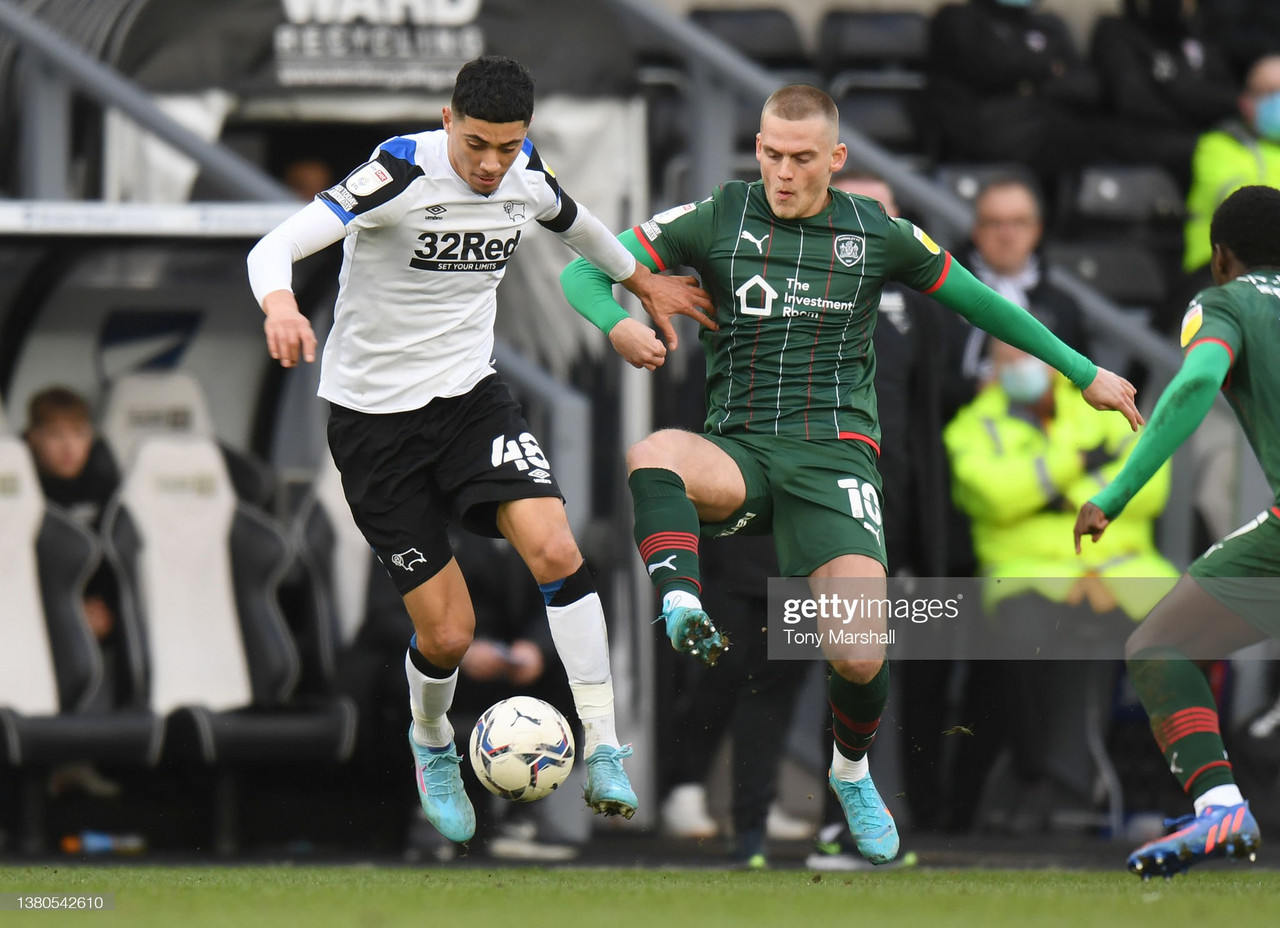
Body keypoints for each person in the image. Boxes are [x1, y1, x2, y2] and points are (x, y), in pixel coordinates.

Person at [561, 83, 1142, 866]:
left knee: (859, 655)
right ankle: (678, 599)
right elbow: (581, 272)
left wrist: (1082, 372)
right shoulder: (716, 215)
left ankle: (851, 774)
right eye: (771, 154)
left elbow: (983, 306)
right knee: (654, 452)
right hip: (742, 452)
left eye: (802, 158)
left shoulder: (876, 232)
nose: (783, 172)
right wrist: (623, 322)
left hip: (836, 461)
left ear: (835, 159)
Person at [246, 55, 712, 845]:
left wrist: (641, 283)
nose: (492, 165)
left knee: (557, 548)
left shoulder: (525, 172)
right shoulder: (398, 171)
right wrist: (283, 307)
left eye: (507, 146)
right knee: (448, 636)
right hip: (373, 423)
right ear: (445, 121)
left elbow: (579, 225)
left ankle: (601, 743)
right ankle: (433, 744)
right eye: (476, 146)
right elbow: (273, 247)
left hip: (469, 400)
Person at [1075, 184, 1280, 878]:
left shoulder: (1224, 303)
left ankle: (1221, 807)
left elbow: (1195, 385)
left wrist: (1117, 491)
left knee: (1160, 645)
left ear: (1220, 257)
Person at [944, 339, 1178, 834]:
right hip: (1031, 577)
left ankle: (1169, 789)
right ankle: (1036, 782)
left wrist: (1048, 492)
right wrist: (1082, 467)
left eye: (1026, 353)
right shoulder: (973, 424)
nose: (1019, 366)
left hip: (1125, 574)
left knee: (1190, 640)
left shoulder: (1106, 402)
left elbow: (1152, 485)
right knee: (1016, 646)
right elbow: (993, 495)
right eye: (1006, 358)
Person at [23, 386, 124, 797]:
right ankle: (35, 771)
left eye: (78, 434)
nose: (68, 447)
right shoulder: (22, 489)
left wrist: (102, 609)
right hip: (32, 613)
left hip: (90, 614)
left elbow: (113, 561)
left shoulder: (103, 488)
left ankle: (79, 761)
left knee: (104, 645)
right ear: (32, 439)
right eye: (55, 435)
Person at [958, 175, 1091, 385]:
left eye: (1019, 222)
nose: (1006, 235)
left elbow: (1082, 385)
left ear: (1037, 230)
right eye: (994, 223)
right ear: (976, 231)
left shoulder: (1063, 307)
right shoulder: (944, 297)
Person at [1091, 0, 1238, 189]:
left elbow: (1228, 98)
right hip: (1143, 142)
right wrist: (1191, 96)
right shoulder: (1115, 30)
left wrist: (1174, 87)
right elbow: (1133, 100)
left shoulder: (1195, 37)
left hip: (1204, 139)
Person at [1183, 55, 1280, 275]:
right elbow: (1246, 212)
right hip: (1220, 273)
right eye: (1269, 92)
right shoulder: (1219, 145)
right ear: (1245, 103)